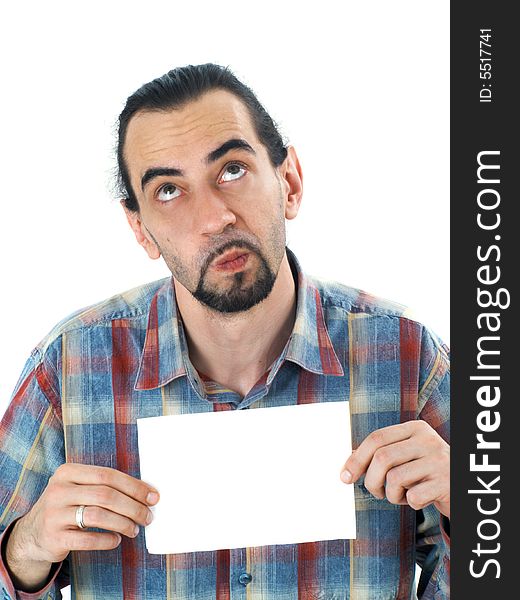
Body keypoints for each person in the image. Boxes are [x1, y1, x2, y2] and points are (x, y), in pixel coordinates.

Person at [0, 63, 450, 599]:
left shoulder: (407, 358)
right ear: (140, 229)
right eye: (169, 189)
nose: (214, 217)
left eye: (232, 170)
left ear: (289, 182)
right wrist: (25, 551)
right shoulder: (69, 367)